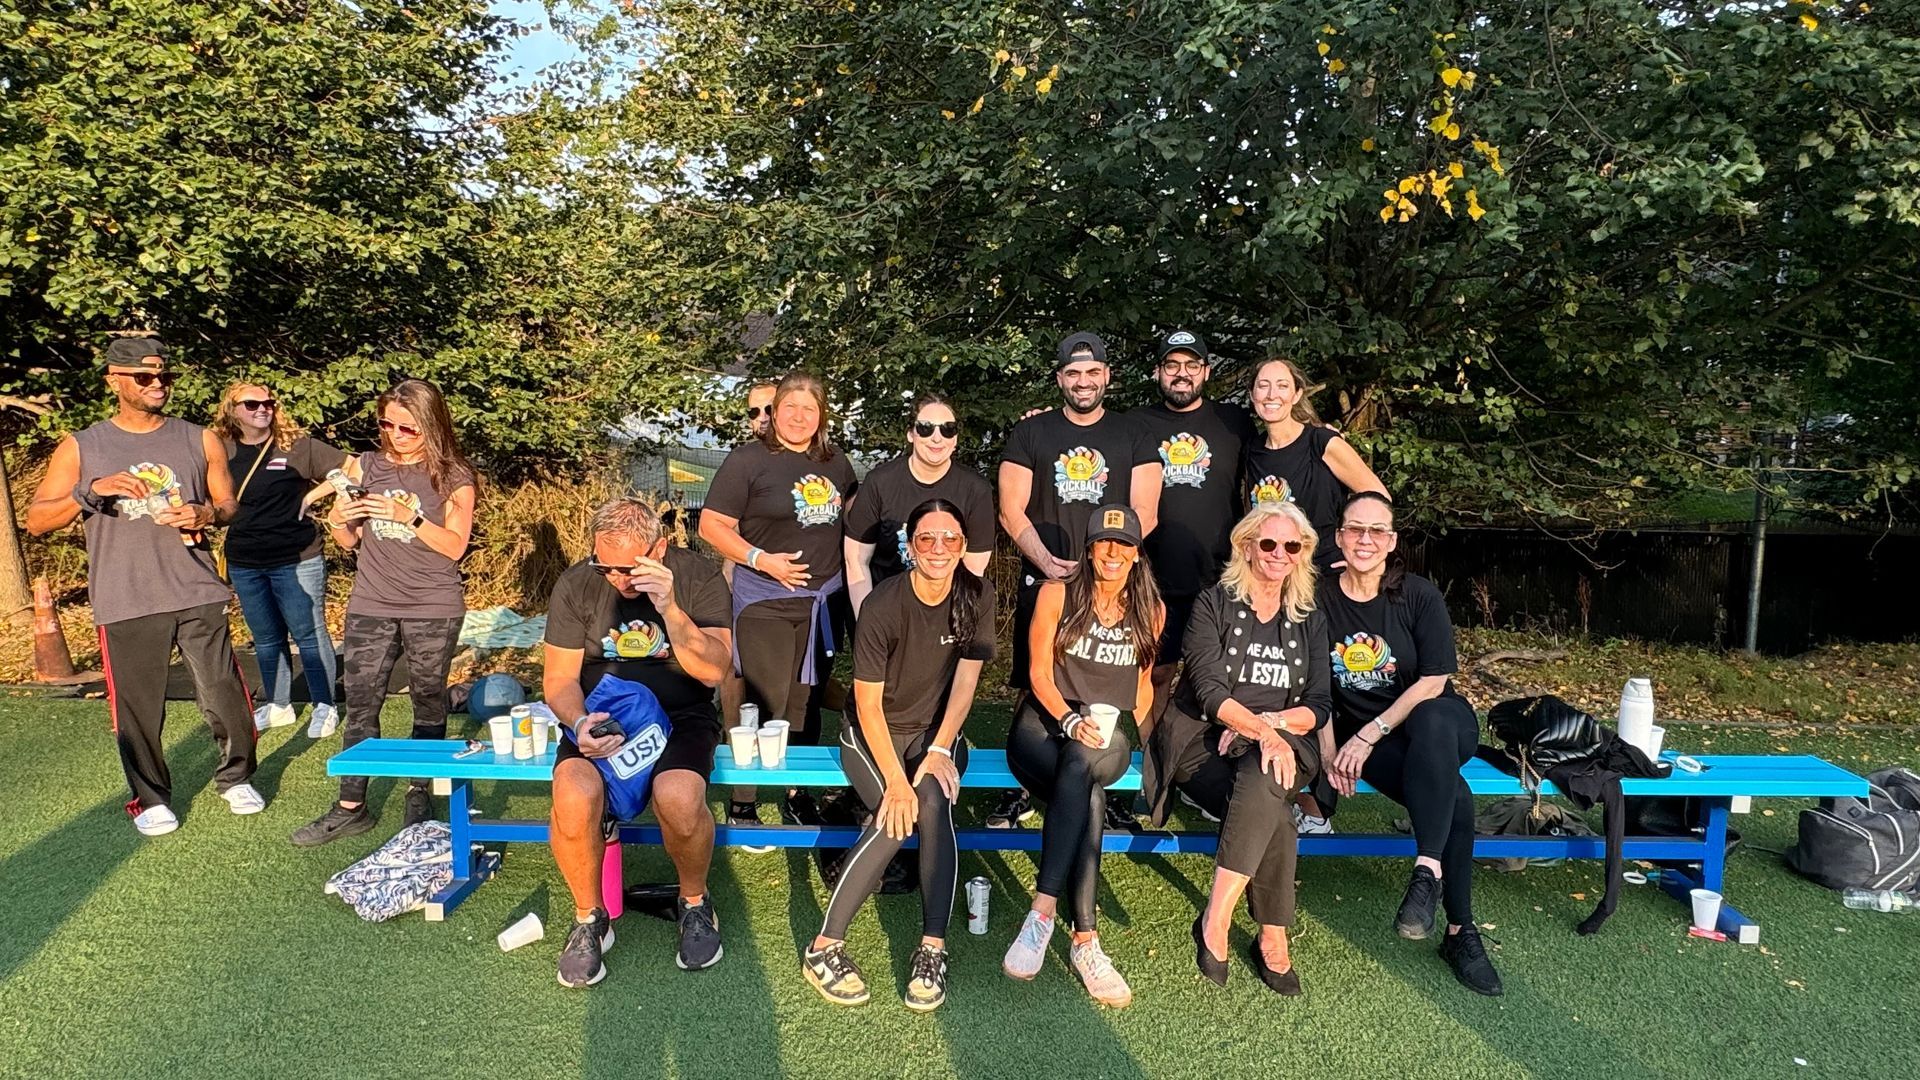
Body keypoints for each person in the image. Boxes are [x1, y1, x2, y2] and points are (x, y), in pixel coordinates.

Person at [26, 337, 263, 835]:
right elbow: (38, 521)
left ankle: (236, 777)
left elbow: (228, 505)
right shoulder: (82, 445)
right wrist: (92, 490)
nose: (158, 384)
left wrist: (206, 514)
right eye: (144, 376)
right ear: (113, 381)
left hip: (196, 587)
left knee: (224, 692)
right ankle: (151, 798)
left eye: (164, 376)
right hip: (125, 595)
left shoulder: (199, 438)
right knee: (137, 707)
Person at [802, 499, 995, 1011]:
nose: (938, 548)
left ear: (964, 546)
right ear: (910, 546)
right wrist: (895, 780)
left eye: (950, 538)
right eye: (926, 538)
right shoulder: (882, 604)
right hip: (871, 733)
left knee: (932, 802)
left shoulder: (978, 595)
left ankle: (932, 949)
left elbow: (965, 684)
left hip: (934, 734)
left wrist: (939, 748)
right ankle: (823, 947)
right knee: (897, 813)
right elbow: (866, 704)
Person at [542, 496, 734, 987]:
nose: (617, 579)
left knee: (679, 796)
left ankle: (694, 902)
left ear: (659, 549)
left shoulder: (697, 577)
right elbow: (559, 679)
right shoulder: (577, 582)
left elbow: (715, 671)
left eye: (629, 568)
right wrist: (579, 724)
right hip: (603, 716)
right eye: (605, 566)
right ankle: (589, 918)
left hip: (681, 714)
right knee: (572, 792)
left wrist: (669, 609)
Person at [1319, 491, 1502, 996]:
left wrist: (1368, 733)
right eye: (1356, 529)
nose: (1366, 540)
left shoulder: (1417, 594)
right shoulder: (1319, 599)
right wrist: (1331, 752)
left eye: (1377, 531)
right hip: (1375, 745)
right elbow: (1313, 687)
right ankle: (1460, 932)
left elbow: (1434, 679)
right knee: (1455, 794)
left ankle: (1426, 867)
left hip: (1439, 725)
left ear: (1392, 541)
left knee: (1432, 720)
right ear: (1339, 537)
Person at [1144, 502, 1328, 995]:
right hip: (1205, 739)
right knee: (1275, 806)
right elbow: (1207, 689)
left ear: (1302, 553)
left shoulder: (1309, 616)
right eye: (1268, 543)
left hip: (1285, 741)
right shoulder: (1213, 603)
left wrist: (1267, 727)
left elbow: (1318, 705)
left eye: (1291, 546)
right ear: (1246, 547)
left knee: (1267, 772)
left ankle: (1217, 916)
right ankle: (1272, 933)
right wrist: (1254, 729)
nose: (1279, 553)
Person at [291, 379, 477, 846]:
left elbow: (454, 546)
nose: (395, 435)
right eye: (386, 424)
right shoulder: (366, 465)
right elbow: (351, 541)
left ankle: (419, 793)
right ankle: (350, 806)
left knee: (427, 698)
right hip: (371, 602)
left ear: (431, 425)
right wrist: (337, 520)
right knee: (361, 701)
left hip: (432, 605)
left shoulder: (453, 475)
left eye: (407, 428)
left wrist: (408, 516)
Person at [993, 331, 1161, 829]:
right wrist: (1047, 562)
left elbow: (1146, 512)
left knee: (1109, 681)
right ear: (1060, 378)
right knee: (1034, 679)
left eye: (1092, 372)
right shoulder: (1032, 432)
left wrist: (1099, 567)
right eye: (1073, 373)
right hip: (1046, 577)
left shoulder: (1134, 434)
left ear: (1106, 375)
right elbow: (1010, 509)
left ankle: (1107, 787)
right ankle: (1024, 786)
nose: (1083, 381)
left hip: (1109, 579)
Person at [1001, 504, 1160, 1008]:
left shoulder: (1151, 609)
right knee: (1086, 788)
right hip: (1042, 728)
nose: (1113, 552)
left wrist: (1145, 743)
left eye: (1124, 544)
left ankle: (1041, 912)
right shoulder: (1057, 593)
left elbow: (1142, 689)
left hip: (1106, 734)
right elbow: (1038, 673)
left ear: (1137, 554)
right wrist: (1069, 721)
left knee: (1084, 762)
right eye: (1104, 543)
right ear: (1089, 550)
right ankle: (1085, 940)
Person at [699, 370, 857, 830]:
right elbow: (711, 525)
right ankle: (743, 801)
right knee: (767, 705)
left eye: (810, 409)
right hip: (765, 600)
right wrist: (761, 560)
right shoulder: (748, 460)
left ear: (822, 416)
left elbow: (856, 523)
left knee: (806, 705)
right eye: (791, 407)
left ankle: (796, 793)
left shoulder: (835, 462)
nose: (799, 417)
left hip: (821, 604)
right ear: (776, 410)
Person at [1131, 330, 1256, 736]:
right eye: (1172, 365)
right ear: (1158, 372)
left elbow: (1281, 450)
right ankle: (1153, 757)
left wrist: (1319, 434)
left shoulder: (1234, 422)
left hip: (1222, 577)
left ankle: (1213, 758)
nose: (1181, 373)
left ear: (1206, 371)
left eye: (1191, 365)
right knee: (1157, 672)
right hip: (1155, 575)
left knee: (1222, 675)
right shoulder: (1135, 424)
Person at [212, 381, 347, 738]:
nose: (262, 409)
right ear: (232, 410)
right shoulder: (219, 448)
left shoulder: (297, 445)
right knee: (266, 637)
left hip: (297, 557)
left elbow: (355, 468)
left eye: (268, 403)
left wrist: (312, 496)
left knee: (309, 633)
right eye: (252, 404)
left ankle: (325, 705)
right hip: (245, 559)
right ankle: (279, 704)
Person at [842, 394, 994, 616]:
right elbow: (856, 561)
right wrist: (866, 620)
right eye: (925, 428)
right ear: (910, 434)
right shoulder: (880, 482)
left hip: (945, 615)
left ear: (955, 438)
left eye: (947, 429)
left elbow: (973, 569)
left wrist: (956, 622)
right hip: (886, 611)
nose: (937, 438)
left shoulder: (976, 489)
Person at [1245, 357, 1387, 572]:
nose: (1272, 394)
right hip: (1277, 572)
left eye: (1282, 386)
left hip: (1324, 572)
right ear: (1252, 394)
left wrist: (1362, 556)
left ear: (1296, 395)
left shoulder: (1322, 442)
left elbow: (1379, 498)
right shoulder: (1252, 451)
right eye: (1263, 386)